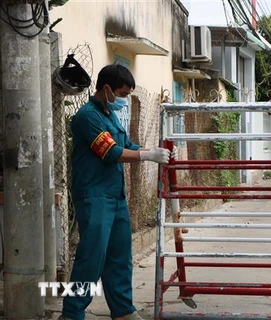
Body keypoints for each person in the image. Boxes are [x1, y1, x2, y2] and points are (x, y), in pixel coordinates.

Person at [58, 64, 174, 320]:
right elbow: (110, 152)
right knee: (91, 258)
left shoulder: (109, 114)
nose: (124, 99)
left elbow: (125, 145)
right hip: (94, 195)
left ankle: (123, 311)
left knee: (120, 257)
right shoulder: (88, 116)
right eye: (122, 93)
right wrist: (145, 155)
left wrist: (149, 149)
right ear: (107, 88)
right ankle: (72, 313)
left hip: (115, 196)